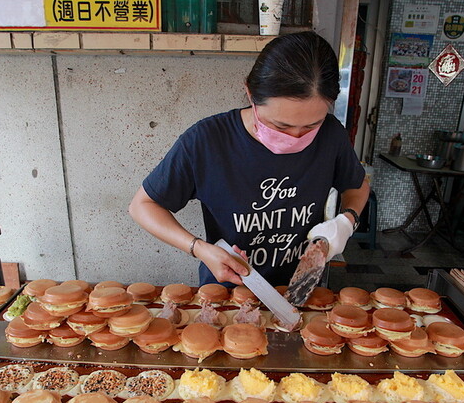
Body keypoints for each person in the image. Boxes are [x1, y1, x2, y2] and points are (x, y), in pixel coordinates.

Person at [129, 31, 369, 287]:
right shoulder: (207, 141)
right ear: (250, 93)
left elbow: (356, 184)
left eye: (311, 125)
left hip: (301, 290)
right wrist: (198, 248)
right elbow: (143, 205)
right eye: (281, 125)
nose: (296, 136)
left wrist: (346, 220)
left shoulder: (331, 135)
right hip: (229, 293)